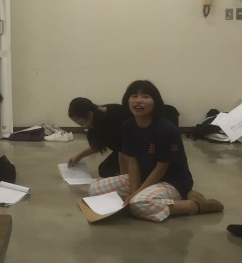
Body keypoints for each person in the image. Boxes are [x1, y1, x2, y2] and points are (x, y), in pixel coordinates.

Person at [88, 79, 223, 223]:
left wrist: (136, 196)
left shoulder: (166, 129)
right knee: (94, 189)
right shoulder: (127, 126)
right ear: (127, 100)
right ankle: (148, 199)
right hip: (144, 177)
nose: (139, 100)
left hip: (172, 181)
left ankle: (194, 204)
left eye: (145, 96)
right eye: (134, 96)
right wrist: (134, 192)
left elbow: (161, 168)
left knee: (138, 205)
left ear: (155, 102)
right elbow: (132, 162)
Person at [67, 97, 132, 177]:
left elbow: (122, 151)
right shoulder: (97, 116)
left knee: (115, 173)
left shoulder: (115, 117)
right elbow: (99, 143)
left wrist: (123, 177)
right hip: (123, 149)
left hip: (137, 149)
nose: (83, 126)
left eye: (80, 123)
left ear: (89, 114)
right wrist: (79, 156)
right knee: (104, 170)